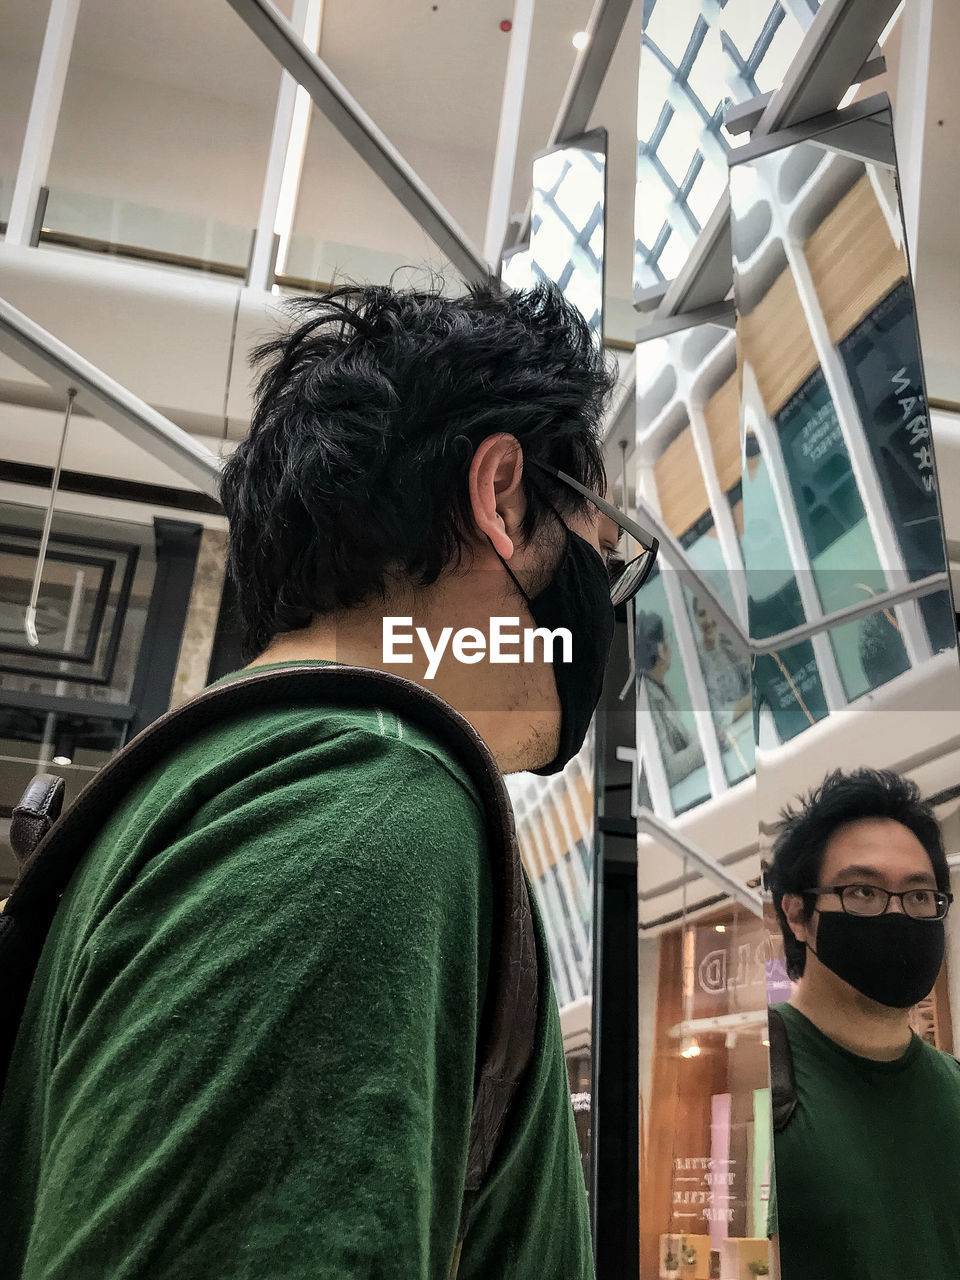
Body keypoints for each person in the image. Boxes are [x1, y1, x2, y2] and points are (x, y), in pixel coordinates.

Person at [0, 281, 658, 1280]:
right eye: (606, 556)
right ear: (502, 497)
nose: (606, 610)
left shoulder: (221, 781)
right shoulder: (365, 810)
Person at [765, 767, 960, 1279]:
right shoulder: (745, 1082)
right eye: (863, 893)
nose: (898, 915)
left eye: (920, 897)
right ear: (799, 915)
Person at [635, 610, 704, 786]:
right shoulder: (645, 700)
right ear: (660, 650)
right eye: (667, 640)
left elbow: (687, 741)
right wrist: (707, 745)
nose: (669, 647)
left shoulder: (657, 689)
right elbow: (668, 771)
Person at [691, 595, 751, 727]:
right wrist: (747, 702)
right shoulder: (696, 663)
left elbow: (753, 679)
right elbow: (720, 715)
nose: (708, 619)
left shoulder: (729, 643)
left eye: (711, 611)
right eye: (702, 614)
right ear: (695, 619)